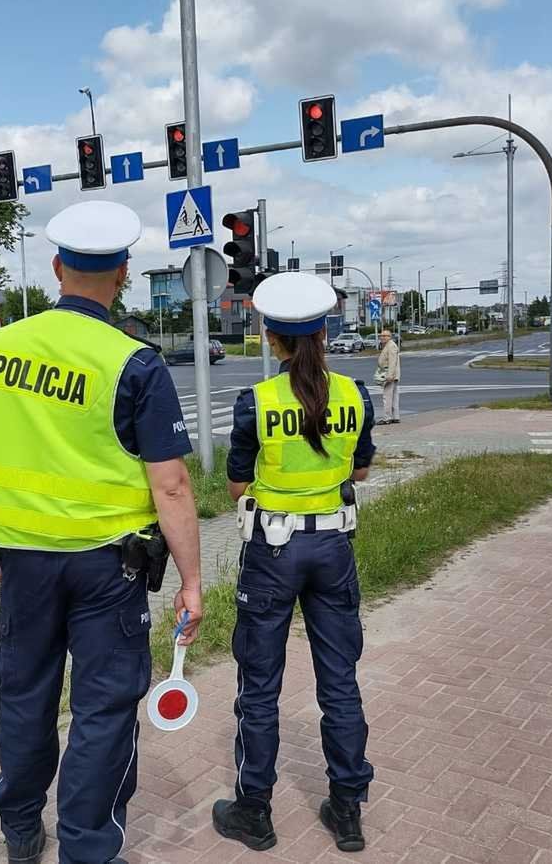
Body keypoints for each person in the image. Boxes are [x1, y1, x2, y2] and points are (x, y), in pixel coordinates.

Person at [0, 200, 204, 864]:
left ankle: (18, 825)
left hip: (24, 563)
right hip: (108, 569)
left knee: (24, 693)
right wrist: (191, 580)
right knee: (102, 710)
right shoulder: (134, 362)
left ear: (55, 268)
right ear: (122, 274)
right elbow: (171, 485)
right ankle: (87, 848)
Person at [213, 272, 375, 854]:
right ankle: (348, 808)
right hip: (334, 550)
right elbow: (358, 471)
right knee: (340, 681)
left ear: (271, 339)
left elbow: (236, 485)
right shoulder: (355, 394)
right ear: (325, 332)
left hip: (272, 552)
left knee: (259, 686)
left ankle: (254, 810)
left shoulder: (255, 403)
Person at [374, 328, 400, 425]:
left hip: (390, 375)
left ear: (390, 337)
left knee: (387, 397)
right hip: (392, 374)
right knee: (394, 396)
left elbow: (392, 362)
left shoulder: (391, 346)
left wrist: (389, 375)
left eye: (385, 336)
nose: (382, 337)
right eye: (381, 335)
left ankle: (387, 418)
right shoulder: (388, 345)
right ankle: (395, 417)